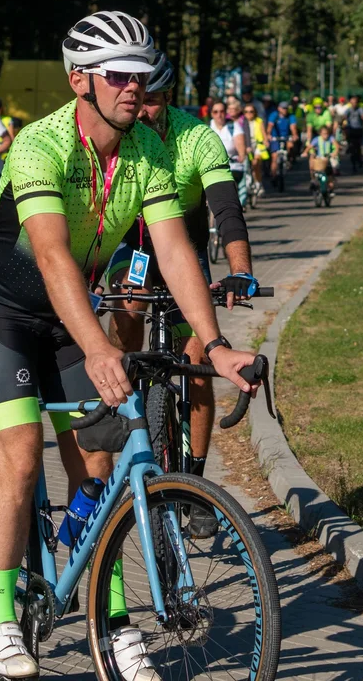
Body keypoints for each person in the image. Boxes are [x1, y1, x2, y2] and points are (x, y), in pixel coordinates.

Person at [0, 11, 260, 680]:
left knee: (96, 470)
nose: (134, 86)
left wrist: (213, 346)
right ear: (79, 82)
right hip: (3, 309)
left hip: (69, 315)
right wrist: (98, 348)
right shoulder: (42, 145)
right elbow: (53, 254)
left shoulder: (148, 151)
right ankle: (2, 620)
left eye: (142, 73)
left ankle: (112, 621)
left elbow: (177, 252)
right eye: (118, 74)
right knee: (21, 460)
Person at [106, 51, 255, 538]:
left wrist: (240, 271)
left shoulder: (197, 137)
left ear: (167, 99)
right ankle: (122, 403)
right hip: (134, 245)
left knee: (196, 361)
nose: (141, 109)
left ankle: (195, 480)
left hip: (184, 250)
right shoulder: (121, 137)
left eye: (151, 100)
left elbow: (226, 210)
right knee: (126, 305)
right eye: (138, 99)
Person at [302, 124, 338, 194]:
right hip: (320, 159)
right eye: (324, 133)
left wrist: (334, 153)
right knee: (312, 165)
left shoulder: (331, 138)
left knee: (332, 172)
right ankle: (313, 180)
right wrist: (305, 152)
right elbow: (310, 146)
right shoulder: (317, 139)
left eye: (327, 133)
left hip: (328, 158)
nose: (326, 135)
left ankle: (331, 187)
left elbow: (336, 146)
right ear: (320, 133)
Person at [267, 100, 299, 176]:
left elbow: (293, 127)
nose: (285, 110)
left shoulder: (291, 116)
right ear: (279, 108)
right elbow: (270, 126)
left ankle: (288, 160)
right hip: (275, 137)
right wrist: (268, 134)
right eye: (283, 108)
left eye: (286, 108)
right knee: (274, 157)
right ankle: (273, 175)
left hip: (286, 137)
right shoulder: (274, 115)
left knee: (290, 146)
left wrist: (294, 135)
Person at [243, 103, 270, 192]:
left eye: (251, 111)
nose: (249, 113)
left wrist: (266, 141)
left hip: (258, 144)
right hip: (247, 145)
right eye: (246, 112)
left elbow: (263, 132)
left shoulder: (259, 121)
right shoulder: (242, 122)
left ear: (255, 112)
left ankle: (258, 182)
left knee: (256, 163)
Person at [343, 94, 363, 169]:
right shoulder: (348, 110)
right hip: (351, 130)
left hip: (358, 130)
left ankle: (359, 160)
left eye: (355, 102)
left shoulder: (360, 109)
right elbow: (344, 117)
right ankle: (353, 161)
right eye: (352, 103)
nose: (354, 104)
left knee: (358, 146)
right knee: (352, 146)